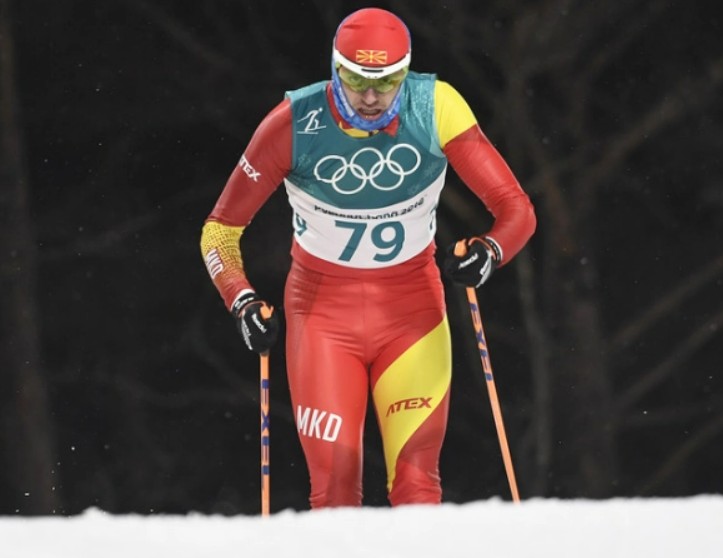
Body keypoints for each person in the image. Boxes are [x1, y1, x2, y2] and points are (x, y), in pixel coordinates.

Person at [200, 7, 536, 509]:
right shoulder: (293, 123)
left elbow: (516, 209)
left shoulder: (435, 106)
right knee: (335, 491)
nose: (372, 96)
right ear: (335, 68)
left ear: (407, 72)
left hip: (413, 315)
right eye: (357, 80)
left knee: (418, 485)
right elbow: (219, 231)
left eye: (388, 81)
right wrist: (242, 301)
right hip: (322, 319)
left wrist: (490, 251)